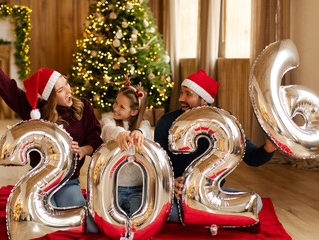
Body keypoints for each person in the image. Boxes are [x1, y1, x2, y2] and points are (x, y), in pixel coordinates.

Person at [0, 20, 102, 232]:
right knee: (41, 225)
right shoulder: (35, 111)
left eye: (66, 83)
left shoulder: (83, 107)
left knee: (87, 226)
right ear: (49, 97)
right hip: (40, 186)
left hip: (68, 183)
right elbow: (3, 83)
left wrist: (83, 150)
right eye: (60, 90)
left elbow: (95, 139)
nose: (68, 91)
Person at [154, 70, 277, 223]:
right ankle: (212, 218)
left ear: (204, 100)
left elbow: (252, 158)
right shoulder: (167, 121)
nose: (181, 98)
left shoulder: (223, 122)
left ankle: (198, 217)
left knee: (256, 202)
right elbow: (158, 165)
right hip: (177, 196)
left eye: (188, 94)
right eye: (181, 93)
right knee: (160, 207)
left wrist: (268, 148)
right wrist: (171, 182)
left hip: (211, 196)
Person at [101, 81, 152, 216]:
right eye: (116, 102)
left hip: (137, 189)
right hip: (113, 187)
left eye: (121, 107)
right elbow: (108, 129)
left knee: (139, 219)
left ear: (134, 112)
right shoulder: (108, 120)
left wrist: (139, 132)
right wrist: (120, 133)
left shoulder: (144, 125)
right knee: (99, 221)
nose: (115, 108)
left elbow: (146, 131)